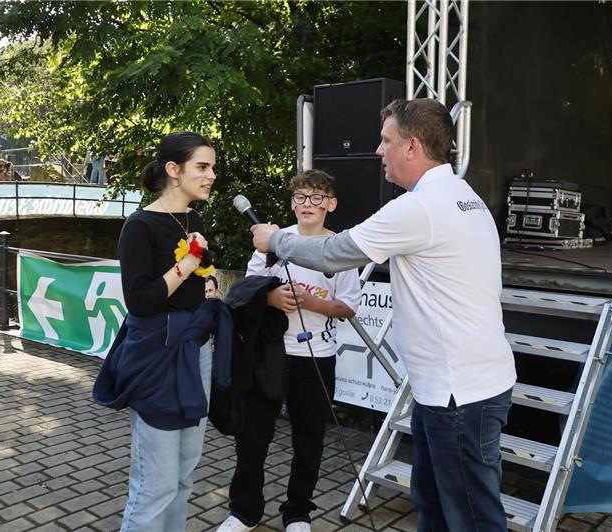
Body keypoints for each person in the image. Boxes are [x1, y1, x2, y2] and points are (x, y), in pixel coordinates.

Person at [251, 99, 517, 531]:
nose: (378, 150)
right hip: (453, 389)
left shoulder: (421, 207)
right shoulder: (461, 195)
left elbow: (334, 253)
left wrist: (276, 240)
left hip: (460, 395)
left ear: (412, 147)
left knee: (472, 520)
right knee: (431, 506)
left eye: (386, 140)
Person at [92, 131, 228, 532]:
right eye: (202, 167)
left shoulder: (193, 217)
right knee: (156, 484)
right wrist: (190, 263)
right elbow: (141, 301)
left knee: (184, 476)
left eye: (212, 168)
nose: (211, 176)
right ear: (173, 170)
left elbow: (196, 274)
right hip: (156, 356)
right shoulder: (139, 226)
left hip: (195, 351)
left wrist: (206, 280)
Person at [218, 170, 361, 532]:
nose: (307, 205)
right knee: (253, 438)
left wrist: (312, 302)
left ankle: (298, 513)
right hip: (268, 355)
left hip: (317, 359)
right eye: (300, 197)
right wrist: (268, 296)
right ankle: (244, 511)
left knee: (309, 441)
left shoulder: (339, 248)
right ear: (292, 203)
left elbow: (347, 307)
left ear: (331, 204)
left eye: (317, 197)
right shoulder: (272, 241)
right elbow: (243, 292)